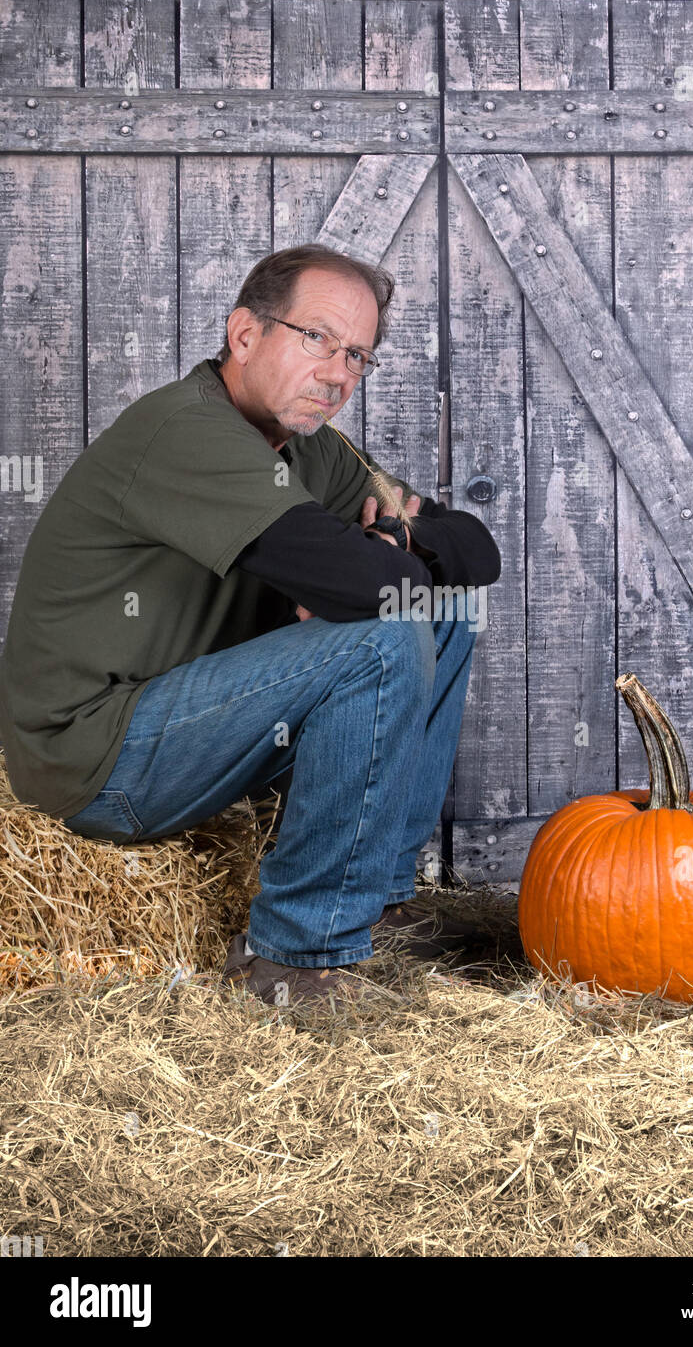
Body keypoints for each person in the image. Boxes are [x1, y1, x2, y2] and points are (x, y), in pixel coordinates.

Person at [0, 245, 502, 1009]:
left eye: (358, 355)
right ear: (244, 334)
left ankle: (379, 905)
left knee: (438, 617)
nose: (338, 374)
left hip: (198, 730)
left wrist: (392, 550)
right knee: (386, 631)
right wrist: (377, 565)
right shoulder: (185, 431)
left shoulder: (312, 449)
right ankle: (289, 960)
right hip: (97, 758)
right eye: (317, 339)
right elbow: (370, 586)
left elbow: (475, 548)